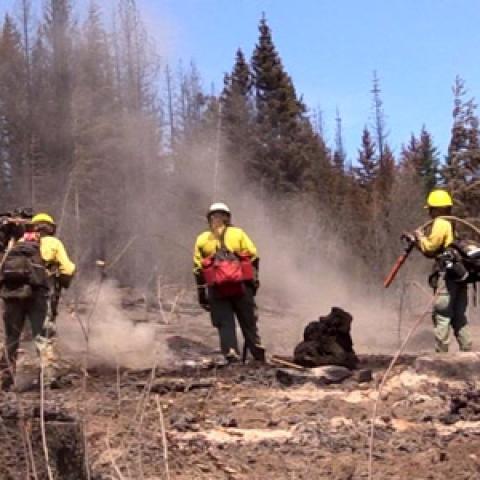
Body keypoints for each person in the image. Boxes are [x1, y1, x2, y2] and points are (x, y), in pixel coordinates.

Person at [0, 212, 76, 390]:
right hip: (38, 297)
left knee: (11, 338)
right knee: (43, 337)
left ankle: (5, 379)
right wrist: (61, 282)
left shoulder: (16, 242)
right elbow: (68, 268)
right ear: (50, 228)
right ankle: (47, 379)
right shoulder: (53, 243)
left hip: (12, 296)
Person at [193, 202, 265, 363]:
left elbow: (198, 269)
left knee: (225, 323)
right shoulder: (238, 234)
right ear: (228, 217)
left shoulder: (203, 239)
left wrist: (201, 295)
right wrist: (254, 282)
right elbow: (254, 256)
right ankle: (257, 350)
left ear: (209, 218)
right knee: (249, 321)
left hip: (216, 289)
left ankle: (231, 353)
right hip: (241, 286)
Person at [406, 189, 471, 353]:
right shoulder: (451, 223)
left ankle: (441, 356)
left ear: (434, 208)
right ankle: (469, 354)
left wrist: (419, 238)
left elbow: (430, 248)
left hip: (448, 278)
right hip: (460, 277)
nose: (429, 212)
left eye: (430, 209)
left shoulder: (440, 223)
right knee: (459, 317)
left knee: (442, 315)